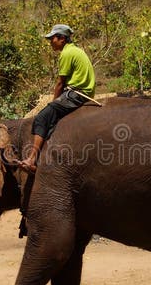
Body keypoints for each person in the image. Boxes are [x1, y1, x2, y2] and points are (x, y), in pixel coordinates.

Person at [19, 24, 96, 173]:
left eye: (52, 38)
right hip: (83, 92)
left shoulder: (67, 54)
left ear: (61, 38)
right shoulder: (76, 50)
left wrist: (54, 102)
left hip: (76, 93)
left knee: (42, 117)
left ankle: (32, 159)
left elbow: (60, 83)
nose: (50, 42)